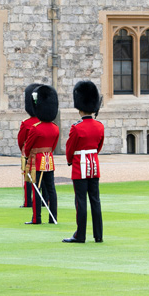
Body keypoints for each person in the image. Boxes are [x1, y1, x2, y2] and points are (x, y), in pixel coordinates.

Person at [63, 81, 105, 243]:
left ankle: (80, 235)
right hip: (93, 165)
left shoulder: (77, 127)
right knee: (95, 200)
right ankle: (98, 235)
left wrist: (69, 161)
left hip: (80, 166)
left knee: (80, 201)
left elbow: (70, 147)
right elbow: (99, 146)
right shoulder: (99, 126)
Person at [23, 85, 59, 225]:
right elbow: (53, 146)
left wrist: (27, 156)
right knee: (51, 189)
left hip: (36, 161)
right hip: (49, 160)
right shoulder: (55, 128)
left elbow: (28, 146)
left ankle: (36, 218)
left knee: (36, 189)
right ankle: (53, 217)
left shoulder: (35, 128)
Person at [18, 83, 42, 209]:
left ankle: (28, 202)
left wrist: (24, 151)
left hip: (29, 154)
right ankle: (44, 200)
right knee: (43, 178)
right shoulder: (47, 124)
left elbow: (21, 140)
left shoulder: (26, 123)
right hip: (44, 155)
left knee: (28, 178)